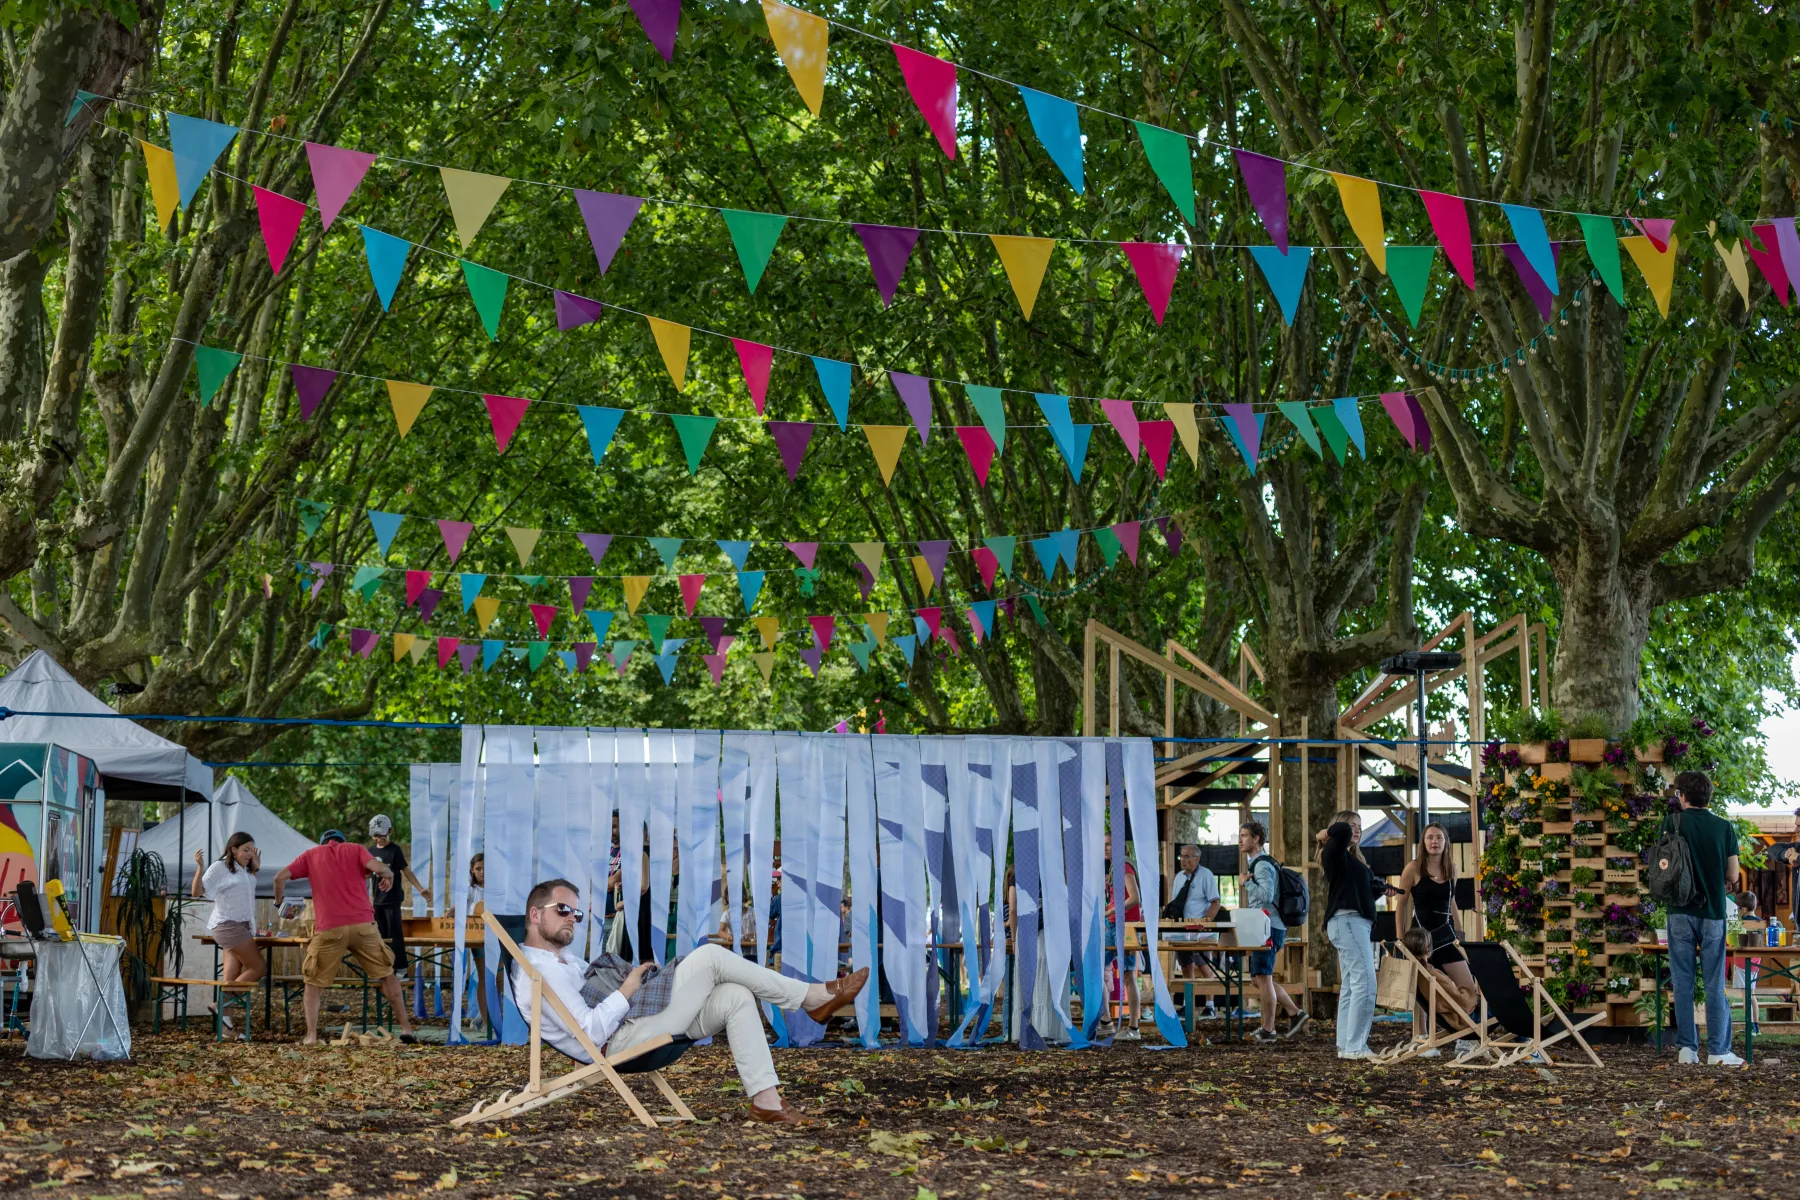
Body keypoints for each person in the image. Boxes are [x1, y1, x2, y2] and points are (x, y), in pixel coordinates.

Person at [512, 877, 868, 1125]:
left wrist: (631, 981)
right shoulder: (539, 972)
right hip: (617, 1042)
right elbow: (590, 1032)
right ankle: (809, 998)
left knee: (735, 996)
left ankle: (766, 1102)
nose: (572, 919)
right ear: (535, 914)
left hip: (636, 1025)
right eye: (562, 909)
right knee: (710, 956)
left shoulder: (565, 961)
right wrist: (628, 989)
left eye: (576, 913)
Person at [272, 830, 417, 1045]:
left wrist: (278, 903)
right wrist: (390, 875)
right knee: (387, 974)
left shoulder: (311, 854)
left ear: (323, 843)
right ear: (343, 841)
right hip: (363, 926)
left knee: (312, 981)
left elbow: (279, 878)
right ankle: (406, 1029)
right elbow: (381, 869)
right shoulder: (355, 849)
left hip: (330, 928)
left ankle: (311, 1036)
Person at [1661, 771, 1743, 1066]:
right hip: (1712, 912)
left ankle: (1687, 1049)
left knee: (1682, 982)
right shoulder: (1724, 827)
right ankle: (1719, 1051)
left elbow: (1663, 866)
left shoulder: (1671, 823)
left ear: (1683, 796)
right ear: (1708, 796)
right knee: (1713, 983)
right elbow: (1733, 875)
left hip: (1679, 911)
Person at [1318, 809, 1397, 1060]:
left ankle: (1346, 1045)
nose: (1357, 830)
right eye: (1352, 825)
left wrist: (1380, 890)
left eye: (1360, 827)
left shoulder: (1352, 861)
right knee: (1366, 982)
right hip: (1348, 921)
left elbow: (1359, 890)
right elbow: (1340, 831)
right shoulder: (1333, 850)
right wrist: (1325, 833)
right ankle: (1356, 1046)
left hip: (1352, 922)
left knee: (1352, 985)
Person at [1239, 821, 1307, 1042]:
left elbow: (1266, 896)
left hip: (1268, 927)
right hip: (1264, 926)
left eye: (1244, 835)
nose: (1240, 840)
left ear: (1256, 838)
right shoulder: (1259, 863)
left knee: (1264, 977)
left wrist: (1246, 883)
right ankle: (1295, 1013)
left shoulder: (1261, 865)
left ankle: (1268, 1030)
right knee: (1257, 979)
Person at [190, 833, 265, 1032]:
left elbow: (246, 891)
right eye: (245, 850)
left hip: (242, 926)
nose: (250, 854)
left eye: (252, 850)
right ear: (233, 849)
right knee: (258, 968)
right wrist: (200, 867)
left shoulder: (245, 869)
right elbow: (196, 892)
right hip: (229, 926)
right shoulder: (220, 867)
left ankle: (226, 1030)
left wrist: (255, 868)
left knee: (231, 978)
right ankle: (220, 1004)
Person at [1396, 823, 1478, 1003]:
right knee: (1422, 992)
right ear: (1424, 842)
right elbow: (1401, 904)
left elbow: (1451, 900)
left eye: (1439, 837)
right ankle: (1424, 1023)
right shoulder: (1413, 868)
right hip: (1420, 937)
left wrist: (1459, 932)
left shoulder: (1451, 869)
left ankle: (1459, 1019)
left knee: (1469, 990)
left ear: (1446, 842)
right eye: (1430, 837)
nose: (1435, 841)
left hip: (1446, 935)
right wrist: (1400, 939)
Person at [367, 815, 431, 973]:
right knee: (380, 935)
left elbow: (406, 870)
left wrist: (420, 889)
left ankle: (401, 967)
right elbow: (366, 874)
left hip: (393, 899)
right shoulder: (371, 851)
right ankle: (384, 967)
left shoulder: (395, 850)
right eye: (376, 835)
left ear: (390, 831)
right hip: (377, 900)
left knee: (395, 933)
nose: (379, 838)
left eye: (382, 834)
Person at [1399, 926, 1480, 1046]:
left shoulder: (1417, 974)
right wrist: (1474, 995)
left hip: (1452, 1018)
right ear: (1428, 949)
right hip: (1465, 1020)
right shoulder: (1433, 975)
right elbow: (1464, 1005)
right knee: (1495, 1006)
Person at [1163, 844, 1222, 996]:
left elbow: (1215, 902)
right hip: (1181, 928)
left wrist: (1205, 923)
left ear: (1197, 858)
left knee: (1203, 965)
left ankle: (1210, 1004)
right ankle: (1188, 1003)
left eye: (1187, 856)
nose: (1183, 860)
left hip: (1199, 928)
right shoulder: (1179, 877)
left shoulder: (1206, 875)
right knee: (1185, 966)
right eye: (1181, 856)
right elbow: (1176, 902)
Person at [1102, 833, 1143, 1039]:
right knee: (1098, 969)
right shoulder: (1113, 868)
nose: (1105, 848)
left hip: (1125, 926)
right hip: (1112, 925)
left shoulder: (1124, 866)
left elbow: (1134, 898)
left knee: (1128, 975)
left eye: (1109, 844)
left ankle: (1133, 1028)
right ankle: (1106, 1021)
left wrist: (1111, 910)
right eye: (1104, 845)